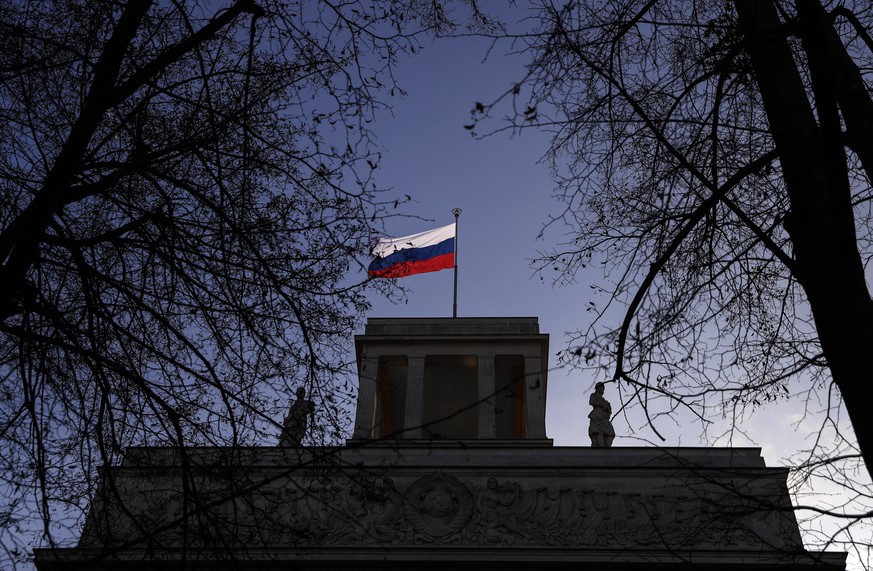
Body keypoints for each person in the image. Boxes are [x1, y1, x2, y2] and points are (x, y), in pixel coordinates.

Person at [588, 382, 615, 448]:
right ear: (596, 388)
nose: (601, 389)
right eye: (599, 387)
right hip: (596, 416)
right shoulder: (593, 395)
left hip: (604, 417)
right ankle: (601, 448)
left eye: (602, 388)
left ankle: (606, 448)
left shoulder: (604, 400)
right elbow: (591, 402)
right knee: (598, 433)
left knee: (611, 434)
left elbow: (609, 411)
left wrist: (607, 408)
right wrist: (602, 405)